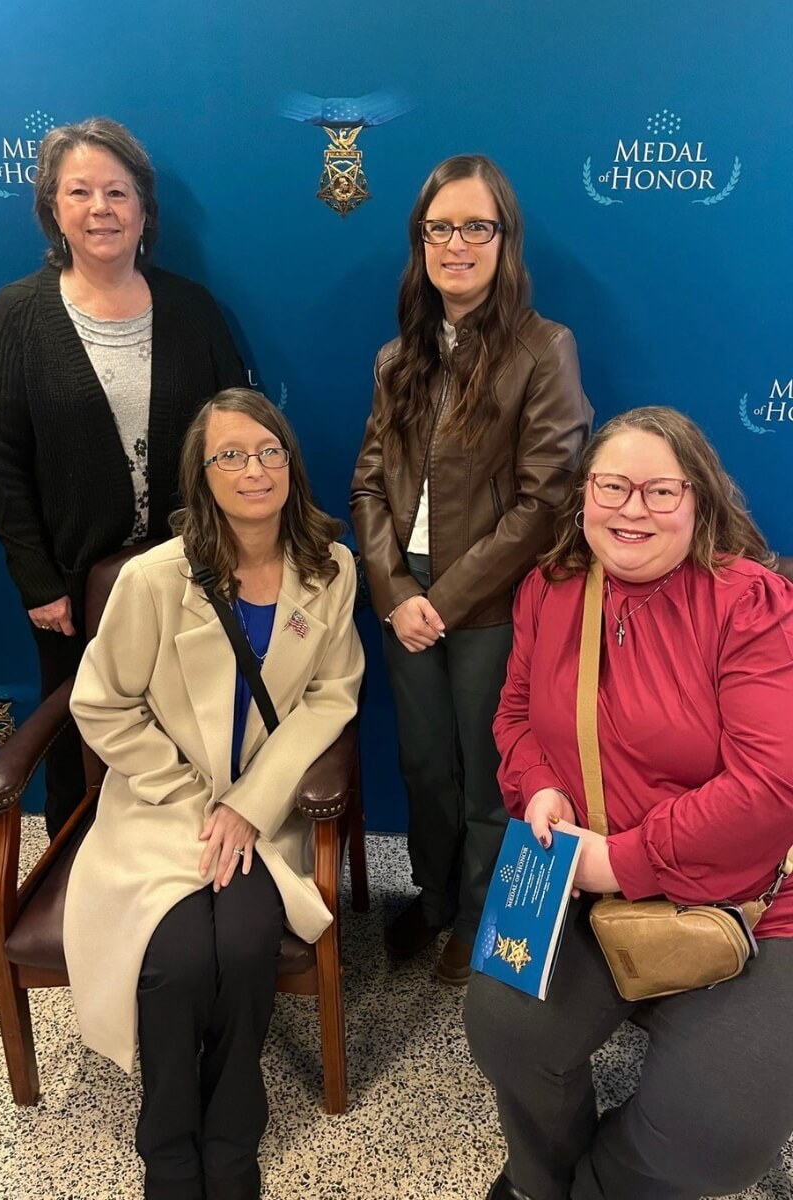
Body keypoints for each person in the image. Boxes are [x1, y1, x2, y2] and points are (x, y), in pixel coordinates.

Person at [464, 406, 793, 1200]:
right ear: (584, 498)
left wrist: (618, 859)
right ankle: (543, 1178)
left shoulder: (751, 603)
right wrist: (537, 785)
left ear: (701, 502)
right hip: (584, 882)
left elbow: (770, 785)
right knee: (503, 1028)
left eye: (659, 491)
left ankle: (609, 1185)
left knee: (717, 1137)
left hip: (748, 900)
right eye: (613, 486)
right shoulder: (550, 588)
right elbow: (514, 716)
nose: (631, 509)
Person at [63, 388, 364, 1200]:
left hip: (263, 813)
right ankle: (168, 1146)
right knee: (177, 960)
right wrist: (194, 795)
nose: (253, 468)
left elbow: (332, 695)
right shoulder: (155, 579)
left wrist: (250, 804)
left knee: (240, 945)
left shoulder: (329, 567)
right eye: (229, 455)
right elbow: (99, 702)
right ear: (201, 474)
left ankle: (232, 1135)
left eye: (268, 450)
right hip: (163, 806)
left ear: (290, 463)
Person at [350, 154, 592, 984]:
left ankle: (482, 908)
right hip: (404, 595)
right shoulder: (399, 355)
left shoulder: (543, 349)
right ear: (421, 240)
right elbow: (368, 484)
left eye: (475, 226)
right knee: (422, 761)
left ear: (504, 238)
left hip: (487, 600)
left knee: (489, 771)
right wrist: (394, 591)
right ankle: (435, 894)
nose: (457, 243)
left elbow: (546, 501)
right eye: (439, 228)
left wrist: (441, 600)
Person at [0, 117, 247, 838]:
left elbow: (237, 432)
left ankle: (184, 866)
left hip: (190, 574)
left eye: (117, 191)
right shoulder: (14, 316)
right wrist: (37, 582)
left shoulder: (192, 309)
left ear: (143, 209)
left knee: (185, 725)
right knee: (81, 731)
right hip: (72, 587)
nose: (99, 208)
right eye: (80, 192)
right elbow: (2, 462)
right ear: (53, 208)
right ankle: (77, 858)